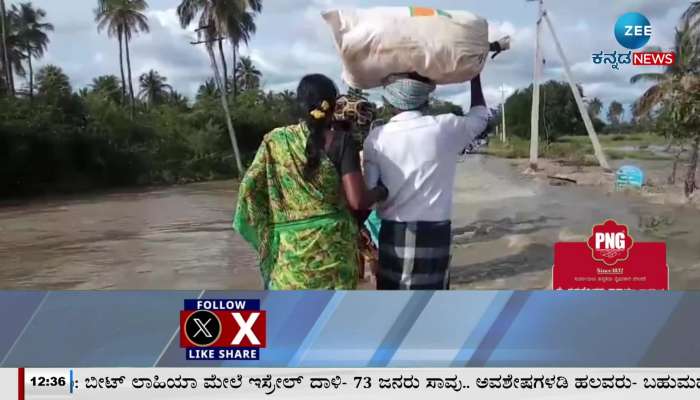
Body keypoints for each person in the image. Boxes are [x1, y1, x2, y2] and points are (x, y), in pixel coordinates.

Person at [233, 74, 388, 290]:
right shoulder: (342, 142)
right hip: (334, 250)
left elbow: (249, 187)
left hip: (289, 253)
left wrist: (271, 220)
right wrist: (381, 192)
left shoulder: (274, 141)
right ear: (333, 106)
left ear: (300, 105)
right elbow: (357, 201)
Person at [363, 73, 489, 290]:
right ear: (426, 98)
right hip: (435, 235)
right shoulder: (444, 128)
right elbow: (480, 117)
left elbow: (370, 195)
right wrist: (474, 76)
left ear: (390, 101)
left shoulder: (376, 137)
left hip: (392, 234)